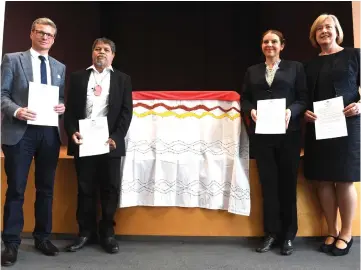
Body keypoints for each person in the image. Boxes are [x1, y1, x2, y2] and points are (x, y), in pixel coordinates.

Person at [1, 18, 66, 266]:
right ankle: (11, 243)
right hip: (20, 132)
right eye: (40, 32)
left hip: (48, 134)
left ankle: (42, 238)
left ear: (54, 38)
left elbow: (58, 98)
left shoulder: (59, 66)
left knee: (46, 189)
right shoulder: (13, 59)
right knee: (16, 189)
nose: (45, 37)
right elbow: (2, 95)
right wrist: (17, 111)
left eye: (49, 34)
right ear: (31, 34)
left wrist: (61, 107)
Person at [241, 30, 307, 255]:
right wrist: (250, 111)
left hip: (289, 134)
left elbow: (303, 98)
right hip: (262, 136)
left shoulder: (295, 68)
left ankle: (288, 235)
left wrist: (292, 110)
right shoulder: (252, 71)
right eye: (266, 41)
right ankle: (271, 233)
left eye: (274, 41)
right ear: (262, 46)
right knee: (268, 185)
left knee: (287, 184)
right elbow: (245, 98)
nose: (269, 45)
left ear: (282, 45)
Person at [64, 37, 133, 254]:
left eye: (106, 50)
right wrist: (71, 131)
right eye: (97, 49)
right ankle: (85, 232)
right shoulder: (77, 77)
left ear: (113, 55)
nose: (101, 52)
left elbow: (126, 112)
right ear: (92, 53)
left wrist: (117, 136)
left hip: (109, 143)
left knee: (109, 189)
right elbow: (70, 110)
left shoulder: (123, 79)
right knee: (85, 189)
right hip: (84, 141)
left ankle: (107, 233)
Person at [303, 14, 360, 256]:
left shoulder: (354, 55)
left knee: (344, 179)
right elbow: (303, 97)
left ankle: (346, 233)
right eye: (319, 29)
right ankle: (332, 229)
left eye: (329, 27)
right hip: (319, 126)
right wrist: (304, 112)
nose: (324, 31)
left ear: (337, 31)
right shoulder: (308, 65)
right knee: (323, 180)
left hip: (348, 124)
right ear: (314, 36)